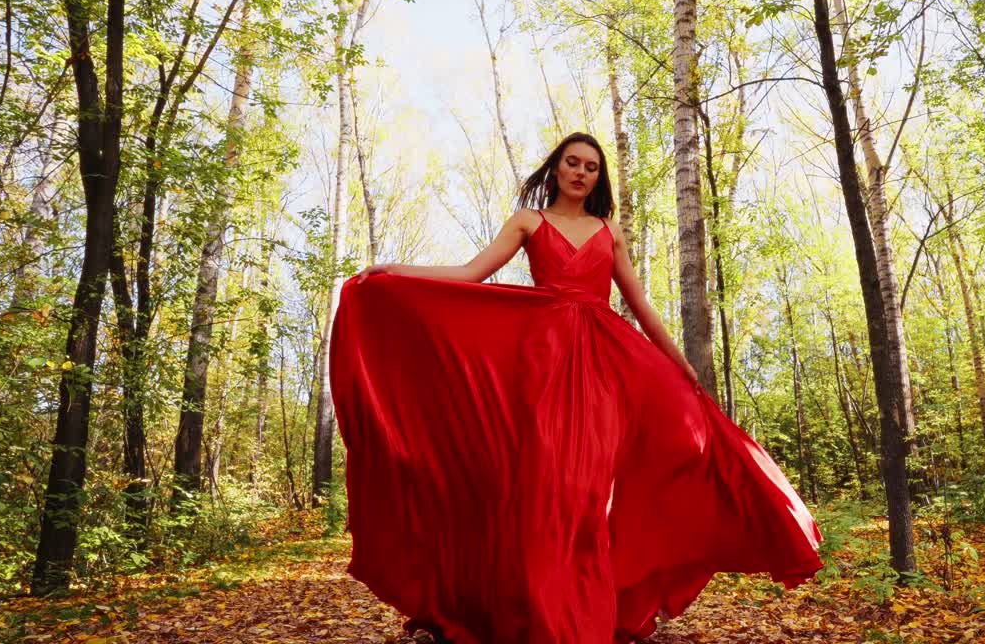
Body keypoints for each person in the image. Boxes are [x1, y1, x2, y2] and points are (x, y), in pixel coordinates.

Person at [329, 132, 822, 644]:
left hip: (603, 366)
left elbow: (640, 305)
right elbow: (471, 273)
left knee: (588, 491)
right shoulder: (528, 221)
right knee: (545, 489)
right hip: (542, 365)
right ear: (556, 168)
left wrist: (681, 364)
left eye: (591, 166)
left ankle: (582, 612)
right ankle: (539, 611)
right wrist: (394, 271)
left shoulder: (609, 231)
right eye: (572, 162)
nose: (581, 172)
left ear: (598, 177)